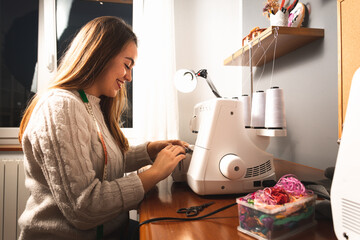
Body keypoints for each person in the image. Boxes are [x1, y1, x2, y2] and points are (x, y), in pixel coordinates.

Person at [18, 16, 188, 240]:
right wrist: (155, 173)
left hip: (113, 231)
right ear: (101, 54)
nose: (128, 77)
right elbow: (85, 207)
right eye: (127, 65)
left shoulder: (91, 104)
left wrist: (150, 150)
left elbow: (103, 161)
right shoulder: (60, 106)